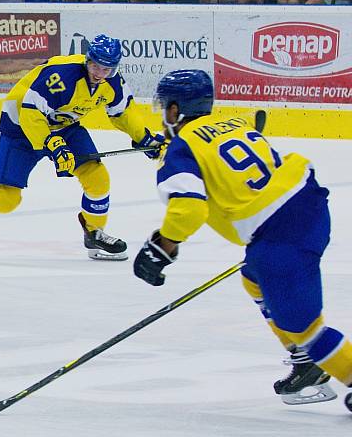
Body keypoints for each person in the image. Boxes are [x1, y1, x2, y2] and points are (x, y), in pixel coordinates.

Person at [134, 69, 352, 411]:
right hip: (307, 205)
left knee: (304, 327)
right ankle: (302, 357)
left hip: (281, 236)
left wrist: (162, 246)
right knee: (253, 277)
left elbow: (190, 210)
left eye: (164, 106)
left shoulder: (180, 151)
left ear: (174, 110)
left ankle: (324, 361)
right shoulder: (235, 124)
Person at [0, 34, 164, 261]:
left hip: (63, 125)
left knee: (97, 177)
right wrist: (53, 145)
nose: (99, 74)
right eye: (95, 66)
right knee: (5, 200)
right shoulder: (63, 75)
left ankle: (94, 232)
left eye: (107, 70)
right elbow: (31, 112)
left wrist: (144, 138)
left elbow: (123, 112)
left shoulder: (112, 82)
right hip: (21, 128)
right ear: (88, 60)